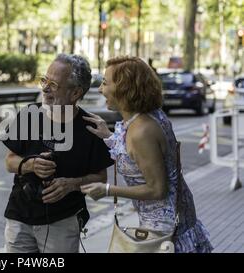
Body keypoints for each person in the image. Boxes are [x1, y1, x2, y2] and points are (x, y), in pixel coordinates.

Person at [81, 56, 213, 253]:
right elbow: (137, 155)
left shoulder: (142, 131)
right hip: (173, 223)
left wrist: (107, 189)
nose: (101, 89)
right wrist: (109, 136)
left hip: (165, 233)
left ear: (125, 88)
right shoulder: (148, 116)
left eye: (105, 83)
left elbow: (157, 189)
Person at [2, 54, 114, 253]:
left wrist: (71, 185)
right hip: (19, 217)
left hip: (63, 222)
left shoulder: (92, 128)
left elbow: (100, 177)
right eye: (44, 80)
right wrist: (30, 164)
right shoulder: (29, 115)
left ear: (75, 93)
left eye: (53, 84)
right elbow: (10, 161)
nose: (45, 88)